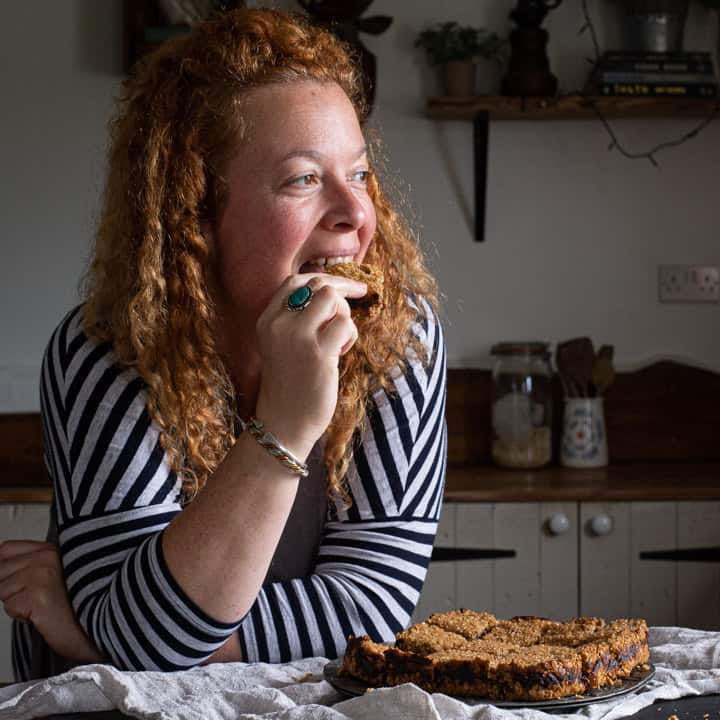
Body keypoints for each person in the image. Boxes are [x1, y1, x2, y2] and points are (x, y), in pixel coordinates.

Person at [0, 7, 447, 681]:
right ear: (197, 214)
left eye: (358, 173)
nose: (357, 215)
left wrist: (101, 639)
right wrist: (286, 428)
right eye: (303, 178)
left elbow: (371, 611)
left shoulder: (400, 338)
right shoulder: (105, 354)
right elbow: (149, 646)